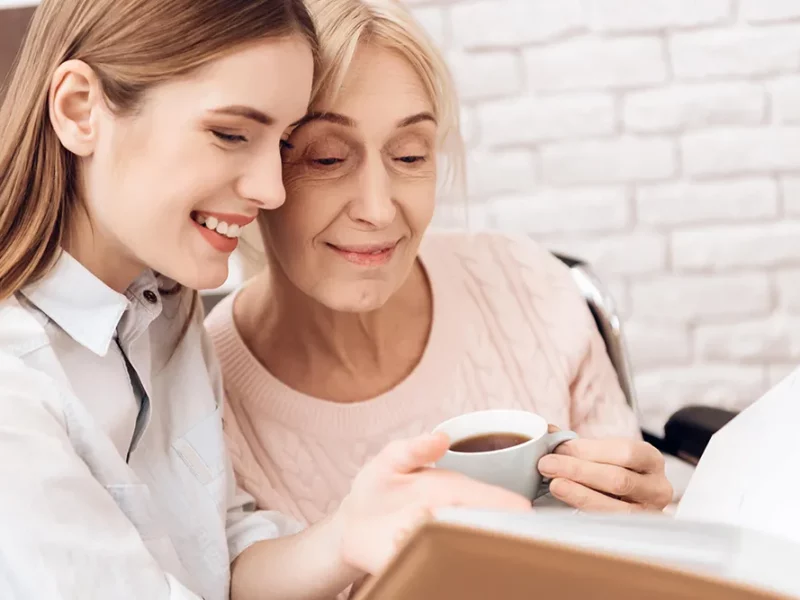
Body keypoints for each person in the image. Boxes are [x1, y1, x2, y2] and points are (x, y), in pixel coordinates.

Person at [0, 1, 533, 599]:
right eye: (230, 135)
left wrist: (347, 535)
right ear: (79, 109)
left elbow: (218, 555)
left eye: (282, 144)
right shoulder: (13, 393)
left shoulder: (162, 301)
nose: (271, 190)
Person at [206, 0, 674, 530]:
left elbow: (636, 532)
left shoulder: (527, 283)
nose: (378, 210)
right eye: (327, 159)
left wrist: (652, 512)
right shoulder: (200, 394)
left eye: (409, 155)